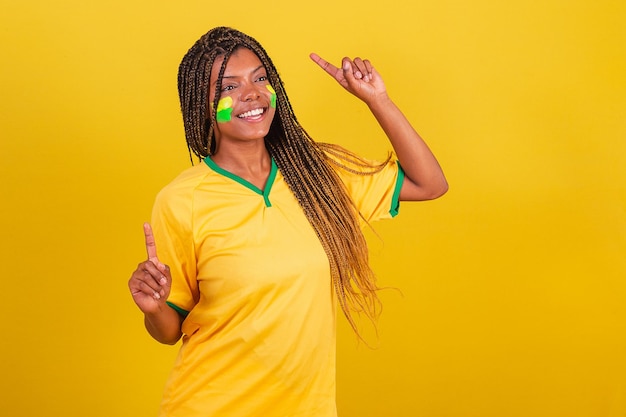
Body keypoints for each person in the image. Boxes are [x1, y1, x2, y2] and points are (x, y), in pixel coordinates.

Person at [128, 26, 447, 417]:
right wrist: (153, 307)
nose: (252, 94)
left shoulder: (317, 176)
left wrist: (377, 100)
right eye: (229, 87)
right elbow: (169, 330)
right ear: (202, 106)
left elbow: (429, 183)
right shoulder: (181, 201)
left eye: (260, 78)